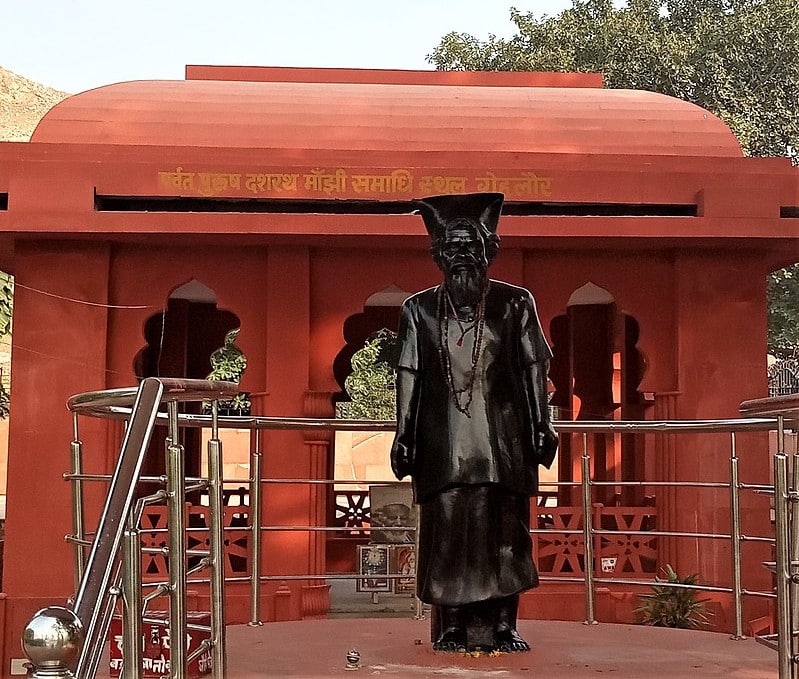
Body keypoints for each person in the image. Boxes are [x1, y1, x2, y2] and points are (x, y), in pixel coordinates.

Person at [390, 192, 557, 653]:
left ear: (488, 250)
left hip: (503, 442)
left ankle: (505, 625)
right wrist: (403, 434)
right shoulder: (418, 309)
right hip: (443, 444)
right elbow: (410, 374)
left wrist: (543, 424)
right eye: (453, 245)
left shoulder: (515, 303)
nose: (462, 252)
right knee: (446, 535)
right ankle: (452, 625)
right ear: (438, 254)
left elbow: (533, 368)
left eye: (470, 244)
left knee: (506, 536)